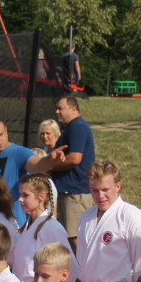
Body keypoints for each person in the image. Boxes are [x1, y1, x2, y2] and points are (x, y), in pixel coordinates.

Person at [0, 117, 58, 225]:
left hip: (15, 225)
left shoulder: (19, 153)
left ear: (6, 131)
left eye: (1, 134)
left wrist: (50, 160)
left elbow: (37, 165)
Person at [12, 173, 78, 282]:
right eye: (20, 194)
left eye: (25, 195)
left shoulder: (52, 227)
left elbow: (70, 266)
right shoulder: (27, 227)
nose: (20, 199)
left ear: (41, 196)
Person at [51, 96, 95, 246]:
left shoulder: (78, 127)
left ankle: (85, 268)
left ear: (73, 108)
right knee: (68, 238)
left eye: (60, 108)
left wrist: (50, 166)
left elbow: (75, 158)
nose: (57, 112)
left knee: (75, 238)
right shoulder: (72, 127)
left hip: (75, 195)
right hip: (69, 193)